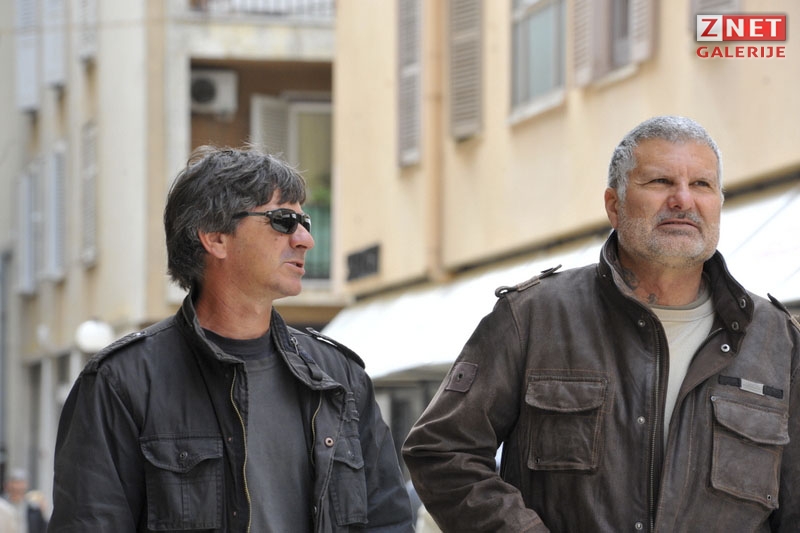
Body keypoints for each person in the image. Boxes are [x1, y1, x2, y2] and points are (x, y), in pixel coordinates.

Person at [402, 115, 800, 531]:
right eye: (660, 181)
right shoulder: (534, 317)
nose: (683, 199)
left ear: (718, 202)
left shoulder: (777, 340)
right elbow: (441, 450)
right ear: (614, 205)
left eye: (702, 184)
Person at [49, 146, 414, 532]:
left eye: (303, 221)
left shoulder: (338, 377)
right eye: (283, 220)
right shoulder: (122, 382)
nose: (305, 238)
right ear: (215, 237)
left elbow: (387, 522)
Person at [2, 469, 48, 533]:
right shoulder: (2, 507)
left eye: (21, 483)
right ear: (7, 485)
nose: (17, 487)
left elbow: (42, 528)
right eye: (15, 482)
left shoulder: (34, 509)